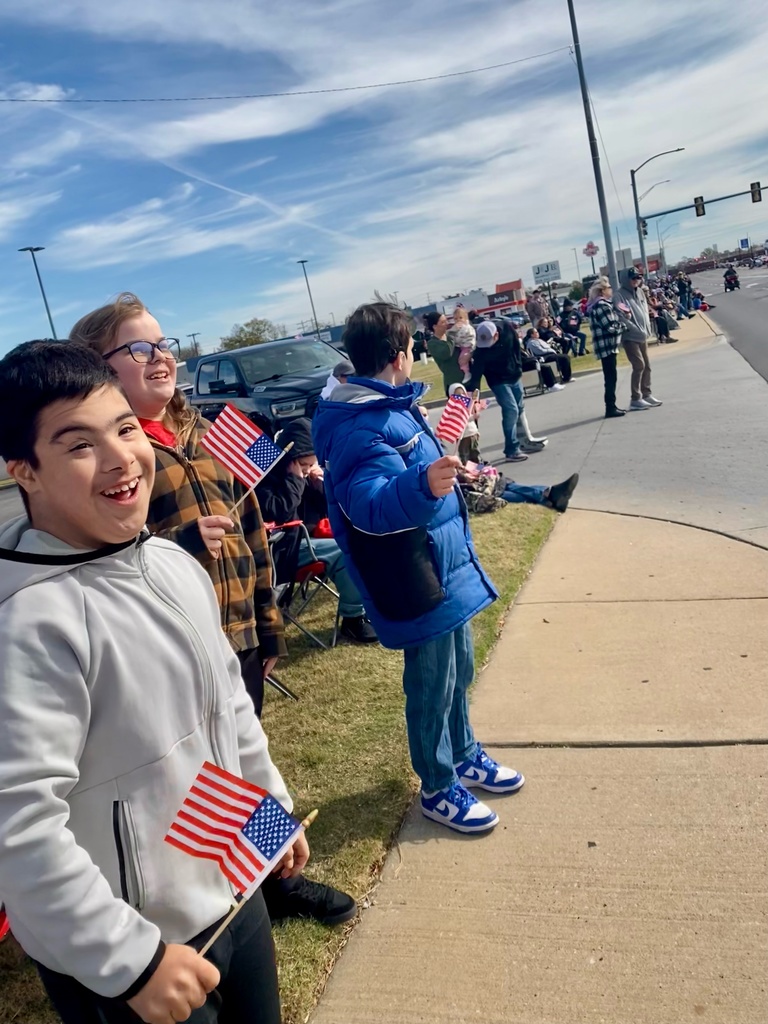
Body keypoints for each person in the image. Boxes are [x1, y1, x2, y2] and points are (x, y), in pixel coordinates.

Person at [0, 340, 307, 1024]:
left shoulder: (170, 563)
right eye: (79, 445)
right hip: (131, 953)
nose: (120, 460)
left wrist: (269, 814)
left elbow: (227, 710)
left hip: (232, 891)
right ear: (25, 469)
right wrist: (130, 960)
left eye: (126, 429)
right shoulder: (26, 621)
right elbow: (16, 826)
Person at [70, 294, 356, 928]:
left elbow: (253, 529)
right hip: (169, 652)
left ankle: (270, 881)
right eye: (137, 349)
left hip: (239, 635)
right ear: (98, 366)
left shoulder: (202, 435)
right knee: (192, 778)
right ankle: (212, 895)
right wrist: (180, 544)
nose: (160, 357)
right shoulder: (111, 459)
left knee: (242, 761)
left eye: (164, 344)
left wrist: (268, 620)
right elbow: (100, 565)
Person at [312, 302, 525, 835]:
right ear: (398, 356)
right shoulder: (361, 424)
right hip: (413, 574)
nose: (415, 355)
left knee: (459, 670)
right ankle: (437, 784)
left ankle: (465, 752)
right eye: (411, 347)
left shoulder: (393, 405)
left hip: (440, 564)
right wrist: (421, 484)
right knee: (431, 683)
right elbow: (368, 504)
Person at [258, 417, 378, 644]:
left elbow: (328, 511)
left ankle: (369, 608)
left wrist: (318, 485)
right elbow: (278, 511)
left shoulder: (303, 476)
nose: (306, 471)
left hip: (305, 539)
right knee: (346, 552)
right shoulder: (266, 473)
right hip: (280, 548)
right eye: (303, 465)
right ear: (290, 460)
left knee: (360, 541)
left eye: (310, 465)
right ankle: (353, 619)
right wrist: (295, 480)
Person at [467, 319, 528, 463]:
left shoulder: (507, 329)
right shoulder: (481, 351)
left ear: (496, 335)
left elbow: (516, 348)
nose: (486, 347)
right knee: (511, 410)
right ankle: (512, 450)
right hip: (498, 381)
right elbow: (476, 375)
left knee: (519, 408)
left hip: (514, 375)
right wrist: (474, 397)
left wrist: (518, 367)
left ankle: (523, 440)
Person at [614, 268, 662, 411]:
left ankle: (646, 394)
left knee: (647, 365)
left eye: (638, 278)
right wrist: (636, 329)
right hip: (630, 337)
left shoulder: (640, 292)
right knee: (639, 365)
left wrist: (647, 327)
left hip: (642, 335)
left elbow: (644, 309)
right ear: (625, 279)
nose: (636, 280)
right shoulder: (618, 296)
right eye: (633, 278)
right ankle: (635, 398)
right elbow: (620, 316)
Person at [587, 277, 627, 418]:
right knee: (611, 378)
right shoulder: (602, 305)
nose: (611, 289)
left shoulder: (595, 305)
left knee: (610, 377)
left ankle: (611, 406)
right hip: (608, 346)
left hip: (604, 346)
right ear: (603, 290)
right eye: (609, 287)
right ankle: (610, 407)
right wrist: (624, 325)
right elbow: (610, 327)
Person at [425, 311, 462, 395]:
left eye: (446, 320)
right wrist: (452, 334)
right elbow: (447, 353)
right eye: (443, 322)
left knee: (473, 407)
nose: (446, 323)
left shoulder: (450, 336)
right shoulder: (432, 343)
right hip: (453, 383)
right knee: (461, 408)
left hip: (467, 380)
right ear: (434, 326)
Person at [446, 306, 476, 382]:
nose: (458, 320)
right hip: (465, 346)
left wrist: (451, 332)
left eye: (460, 318)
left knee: (461, 360)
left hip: (468, 347)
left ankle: (467, 373)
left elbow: (458, 338)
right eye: (455, 318)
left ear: (465, 318)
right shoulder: (460, 327)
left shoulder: (465, 328)